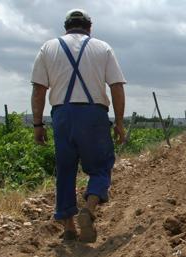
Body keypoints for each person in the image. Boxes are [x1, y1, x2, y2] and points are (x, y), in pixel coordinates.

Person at [31, 9, 126, 243]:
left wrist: (37, 124)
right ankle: (90, 207)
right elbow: (116, 87)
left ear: (66, 27)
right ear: (89, 28)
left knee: (65, 170)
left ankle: (69, 227)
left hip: (61, 115)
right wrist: (120, 123)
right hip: (93, 114)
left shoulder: (48, 48)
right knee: (101, 166)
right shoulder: (103, 48)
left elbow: (38, 90)